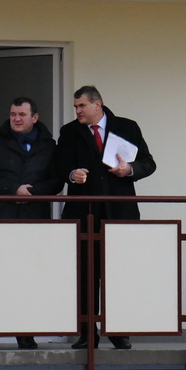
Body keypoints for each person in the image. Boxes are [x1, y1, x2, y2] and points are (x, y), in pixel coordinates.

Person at [54, 85, 156, 350]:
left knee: (119, 272)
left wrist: (129, 169)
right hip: (84, 212)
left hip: (119, 213)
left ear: (97, 105)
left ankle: (119, 331)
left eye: (81, 106)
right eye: (75, 107)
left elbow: (148, 163)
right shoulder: (69, 131)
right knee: (86, 274)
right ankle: (88, 332)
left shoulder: (127, 127)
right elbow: (59, 166)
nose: (77, 111)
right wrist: (72, 174)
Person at [0, 97, 63, 350]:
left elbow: (57, 181)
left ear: (35, 117)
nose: (16, 118)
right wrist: (13, 189)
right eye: (13, 114)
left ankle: (25, 333)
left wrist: (33, 193)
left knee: (29, 278)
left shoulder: (49, 146)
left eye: (22, 114)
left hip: (36, 220)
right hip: (3, 219)